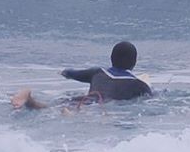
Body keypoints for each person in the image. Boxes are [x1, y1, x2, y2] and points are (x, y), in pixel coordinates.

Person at [12, 40, 153, 111]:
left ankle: (29, 98)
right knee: (73, 113)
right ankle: (68, 115)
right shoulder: (139, 85)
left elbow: (73, 73)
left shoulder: (98, 72)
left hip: (83, 99)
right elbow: (153, 99)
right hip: (99, 106)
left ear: (111, 58)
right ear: (134, 62)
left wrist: (64, 72)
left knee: (48, 107)